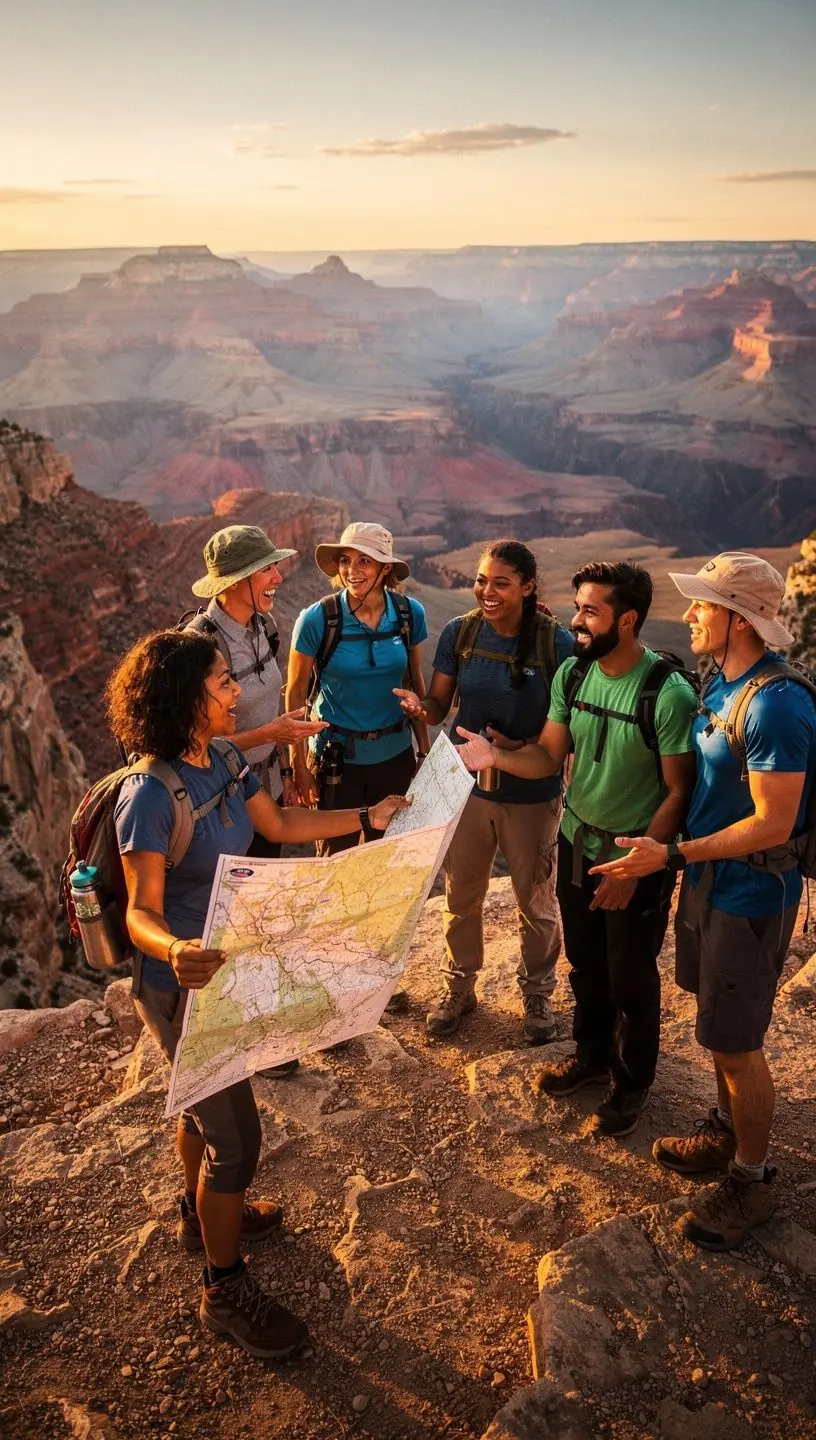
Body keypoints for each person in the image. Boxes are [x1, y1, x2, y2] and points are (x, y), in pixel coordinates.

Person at [109, 629, 408, 1359]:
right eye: (220, 683)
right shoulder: (149, 794)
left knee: (202, 1099)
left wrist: (369, 820)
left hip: (232, 962)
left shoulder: (228, 758)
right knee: (238, 1142)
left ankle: (195, 1212)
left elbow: (277, 825)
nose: (235, 690)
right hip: (181, 981)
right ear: (186, 699)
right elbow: (138, 911)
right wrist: (177, 950)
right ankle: (223, 1285)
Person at [589, 552, 816, 1248]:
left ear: (736, 619)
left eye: (703, 605)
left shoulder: (777, 704)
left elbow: (773, 822)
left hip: (752, 895)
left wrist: (676, 855)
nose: (689, 614)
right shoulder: (723, 683)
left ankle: (752, 1179)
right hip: (712, 886)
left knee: (739, 1044)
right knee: (717, 1027)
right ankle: (723, 1133)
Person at [458, 561, 697, 1136]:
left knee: (631, 973)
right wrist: (497, 759)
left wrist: (639, 866)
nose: (578, 622)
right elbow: (546, 755)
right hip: (575, 840)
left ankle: (631, 1081)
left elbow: (678, 791)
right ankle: (591, 1057)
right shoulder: (572, 674)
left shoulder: (668, 694)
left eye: (592, 611)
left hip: (633, 854)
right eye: (578, 607)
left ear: (629, 619)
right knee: (586, 964)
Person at [395, 539, 574, 1044]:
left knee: (534, 900)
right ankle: (459, 987)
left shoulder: (554, 645)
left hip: (532, 793)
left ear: (528, 586)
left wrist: (521, 746)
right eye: (481, 580)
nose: (486, 591)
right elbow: (439, 705)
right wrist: (420, 708)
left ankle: (537, 994)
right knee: (461, 895)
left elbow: (567, 728)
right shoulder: (461, 632)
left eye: (501, 582)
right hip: (468, 791)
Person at [188, 523, 328, 855]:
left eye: (275, 567)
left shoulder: (265, 626)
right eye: (266, 569)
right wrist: (270, 734)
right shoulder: (200, 647)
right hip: (224, 798)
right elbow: (196, 747)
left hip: (269, 787)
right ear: (235, 582)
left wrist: (285, 772)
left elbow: (269, 712)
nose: (278, 578)